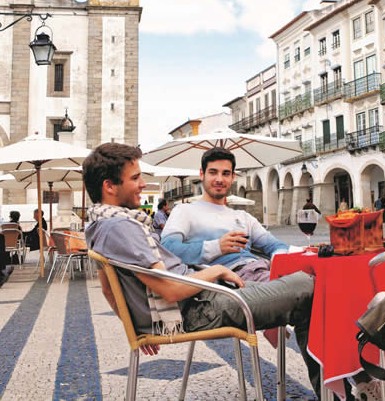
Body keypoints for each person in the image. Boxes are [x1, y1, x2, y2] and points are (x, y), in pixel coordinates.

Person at [83, 143, 319, 389]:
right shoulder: (122, 227)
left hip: (204, 299)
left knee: (306, 292)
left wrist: (132, 324)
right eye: (135, 178)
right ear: (109, 186)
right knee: (310, 287)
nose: (143, 184)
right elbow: (171, 290)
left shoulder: (102, 224)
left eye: (226, 173)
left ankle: (336, 390)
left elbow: (107, 289)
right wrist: (216, 269)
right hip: (200, 307)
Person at [161, 147, 289, 283]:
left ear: (232, 177)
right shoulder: (184, 211)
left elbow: (276, 246)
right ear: (202, 174)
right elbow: (167, 249)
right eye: (213, 172)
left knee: (308, 279)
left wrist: (279, 263)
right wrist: (217, 247)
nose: (219, 179)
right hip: (231, 282)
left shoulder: (243, 216)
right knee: (305, 285)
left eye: (226, 173)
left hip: (262, 271)